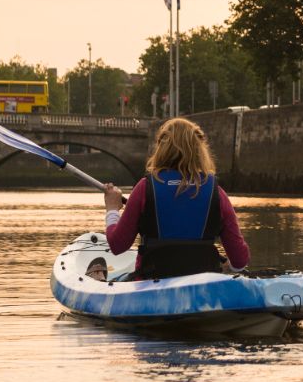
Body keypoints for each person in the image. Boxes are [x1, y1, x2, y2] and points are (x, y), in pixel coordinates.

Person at [102, 117, 250, 280]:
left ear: (162, 148)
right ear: (200, 150)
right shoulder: (217, 193)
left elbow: (117, 245)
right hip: (202, 284)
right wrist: (231, 266)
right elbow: (240, 260)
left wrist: (112, 209)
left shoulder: (144, 189)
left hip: (151, 281)